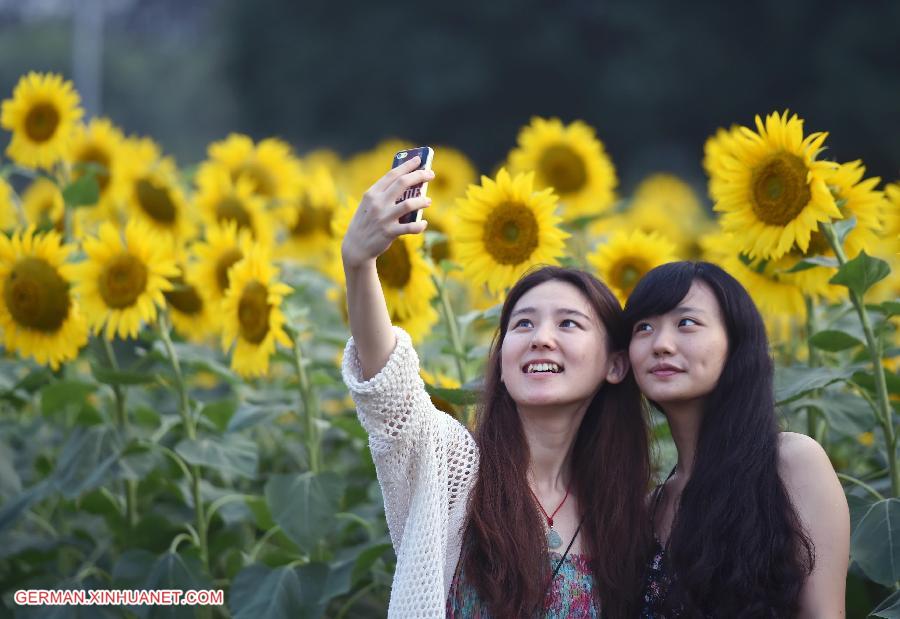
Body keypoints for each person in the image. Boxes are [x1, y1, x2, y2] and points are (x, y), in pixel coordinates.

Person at [340, 155, 652, 618]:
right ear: (503, 362)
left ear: (615, 365)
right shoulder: (452, 471)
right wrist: (360, 265)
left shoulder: (627, 510)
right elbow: (392, 397)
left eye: (568, 323)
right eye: (522, 325)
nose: (541, 337)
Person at [624, 261, 850, 618]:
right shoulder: (650, 507)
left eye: (686, 323)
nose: (661, 344)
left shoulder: (792, 464)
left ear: (736, 342)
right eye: (644, 327)